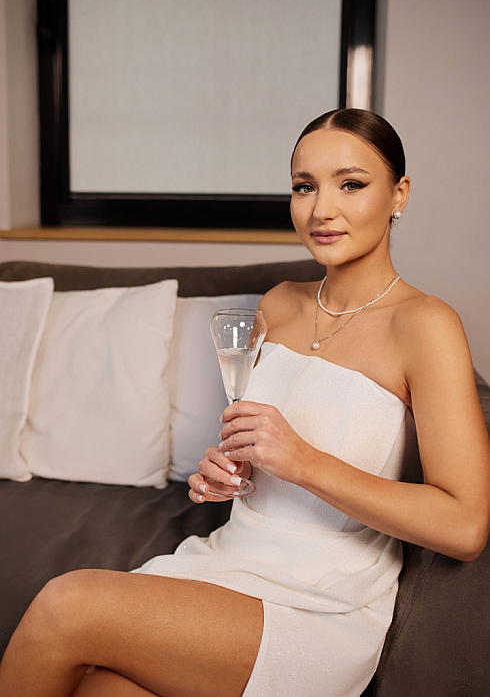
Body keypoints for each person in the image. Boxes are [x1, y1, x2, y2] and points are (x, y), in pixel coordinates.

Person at [0, 109, 489, 697]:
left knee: (66, 605)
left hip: (320, 606)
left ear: (398, 194)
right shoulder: (277, 304)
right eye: (304, 186)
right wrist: (226, 471)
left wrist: (301, 461)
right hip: (227, 563)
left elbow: (464, 526)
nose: (321, 209)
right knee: (98, 689)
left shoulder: (426, 325)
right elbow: (259, 453)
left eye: (351, 184)